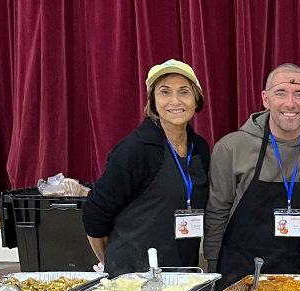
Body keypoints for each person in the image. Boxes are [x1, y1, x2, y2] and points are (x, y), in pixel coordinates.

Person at [203, 63, 300, 291]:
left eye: (299, 94)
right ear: (265, 99)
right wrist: (214, 272)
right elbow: (217, 213)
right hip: (241, 276)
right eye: (280, 93)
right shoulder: (232, 147)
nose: (290, 103)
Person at [83, 59, 211, 277]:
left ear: (196, 99)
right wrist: (112, 261)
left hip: (183, 272)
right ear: (153, 101)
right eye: (165, 92)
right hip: (135, 277)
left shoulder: (200, 147)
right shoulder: (136, 148)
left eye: (184, 92)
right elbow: (95, 213)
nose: (175, 101)